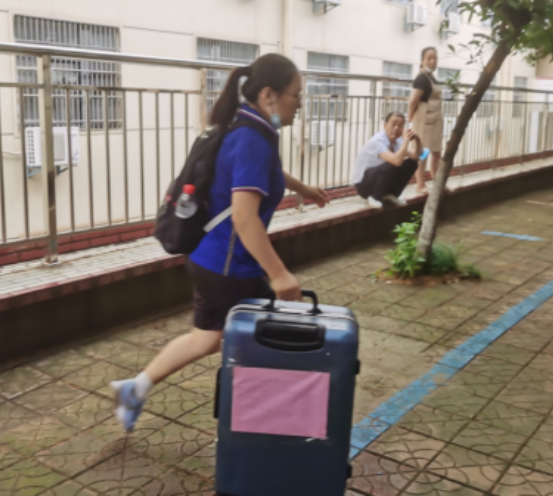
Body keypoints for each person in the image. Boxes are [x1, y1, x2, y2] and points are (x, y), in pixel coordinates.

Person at [111, 54, 329, 432]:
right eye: (296, 95)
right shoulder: (253, 138)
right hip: (231, 268)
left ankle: (135, 388)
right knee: (262, 345)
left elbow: (265, 171)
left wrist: (303, 188)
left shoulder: (245, 126)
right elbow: (244, 217)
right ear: (269, 95)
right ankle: (249, 434)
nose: (299, 104)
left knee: (207, 338)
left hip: (208, 258)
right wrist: (279, 273)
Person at [353, 112, 423, 209]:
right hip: (363, 185)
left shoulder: (398, 140)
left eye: (400, 125)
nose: (396, 128)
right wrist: (406, 141)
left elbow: (417, 157)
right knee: (391, 163)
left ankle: (390, 194)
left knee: (412, 163)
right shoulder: (378, 141)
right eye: (393, 124)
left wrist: (418, 140)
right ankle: (374, 197)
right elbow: (396, 161)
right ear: (385, 125)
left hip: (380, 180)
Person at [408, 47, 444, 195]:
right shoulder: (422, 78)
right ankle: (420, 185)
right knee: (423, 153)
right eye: (429, 58)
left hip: (435, 119)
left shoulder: (432, 77)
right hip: (424, 120)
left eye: (435, 58)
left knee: (436, 152)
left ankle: (437, 182)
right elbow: (413, 101)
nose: (432, 61)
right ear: (422, 60)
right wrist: (410, 117)